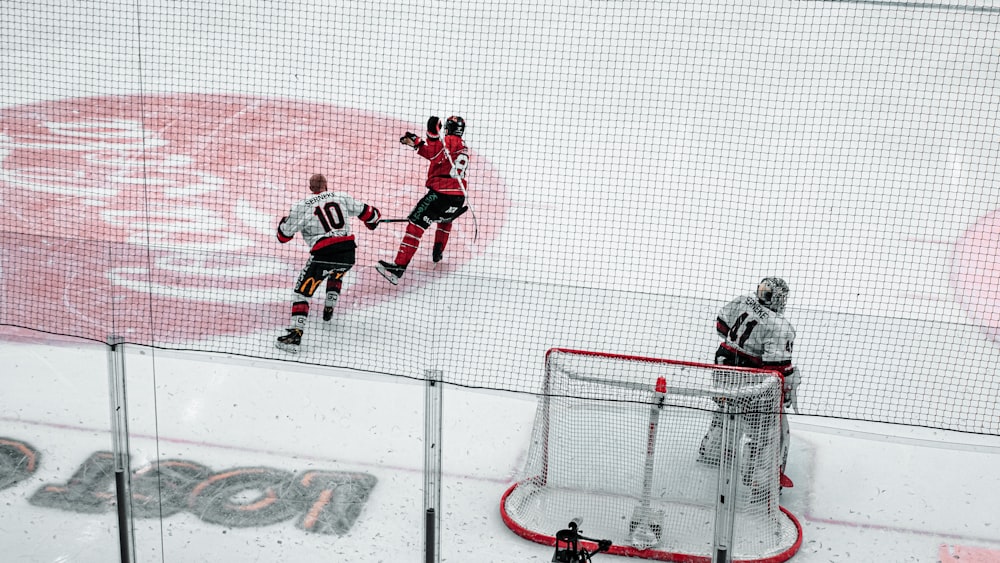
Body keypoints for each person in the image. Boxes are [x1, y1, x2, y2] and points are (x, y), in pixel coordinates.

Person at [698, 277, 800, 489]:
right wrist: (788, 387)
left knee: (726, 412)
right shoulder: (780, 326)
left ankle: (713, 453)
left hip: (723, 369)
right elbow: (776, 366)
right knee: (762, 428)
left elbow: (721, 326)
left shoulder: (744, 301)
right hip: (749, 380)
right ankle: (758, 479)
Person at [274, 174, 381, 353]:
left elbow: (283, 237)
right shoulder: (341, 197)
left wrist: (283, 223)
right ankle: (329, 306)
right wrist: (372, 223)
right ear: (326, 185)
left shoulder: (301, 206)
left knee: (302, 293)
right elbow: (372, 214)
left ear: (310, 188)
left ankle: (295, 335)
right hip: (348, 253)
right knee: (336, 272)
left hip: (323, 254)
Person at [376, 115, 470, 285]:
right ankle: (438, 252)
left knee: (415, 225)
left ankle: (397, 268)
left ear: (448, 128)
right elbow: (437, 155)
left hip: (440, 194)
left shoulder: (449, 139)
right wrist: (417, 143)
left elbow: (434, 155)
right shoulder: (462, 146)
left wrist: (431, 133)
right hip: (458, 197)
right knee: (445, 219)